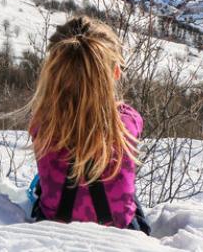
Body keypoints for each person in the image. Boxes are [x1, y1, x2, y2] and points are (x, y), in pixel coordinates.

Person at [28, 16, 150, 234]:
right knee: (128, 194)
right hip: (121, 232)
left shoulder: (41, 123)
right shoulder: (129, 121)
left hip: (53, 225)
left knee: (45, 184)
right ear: (115, 72)